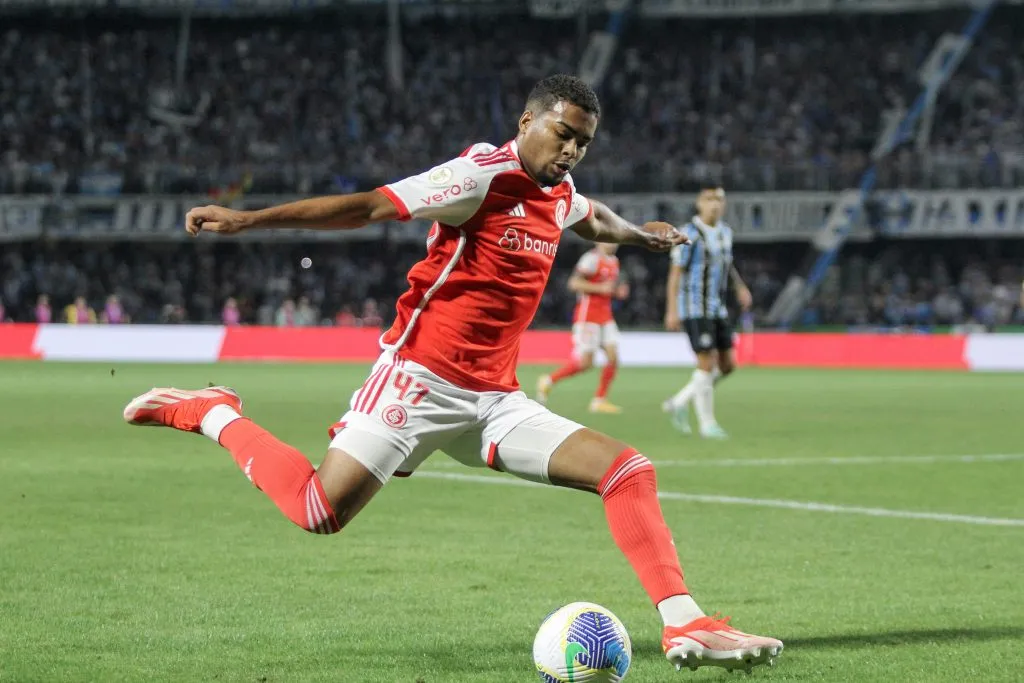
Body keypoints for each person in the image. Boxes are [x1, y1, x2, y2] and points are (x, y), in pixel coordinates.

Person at [123, 75, 781, 673]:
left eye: (583, 143)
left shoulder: (559, 191)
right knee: (318, 510)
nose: (572, 151)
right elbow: (369, 207)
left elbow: (591, 216)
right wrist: (250, 219)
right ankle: (212, 410)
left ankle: (685, 621)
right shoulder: (478, 178)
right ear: (527, 121)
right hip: (419, 380)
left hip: (495, 399)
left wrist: (641, 235)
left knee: (628, 470)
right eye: (563, 134)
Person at [662, 185, 752, 438]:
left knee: (728, 365)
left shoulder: (725, 232)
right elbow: (675, 273)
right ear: (699, 203)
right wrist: (671, 310)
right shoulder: (689, 234)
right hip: (694, 307)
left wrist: (740, 287)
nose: (714, 204)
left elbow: (727, 264)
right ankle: (707, 424)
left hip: (717, 308)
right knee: (706, 363)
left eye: (719, 199)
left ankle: (679, 402)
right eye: (709, 199)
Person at [536, 243, 628, 413]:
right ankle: (549, 380)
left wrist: (617, 291)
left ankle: (599, 400)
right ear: (599, 241)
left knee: (613, 357)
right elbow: (573, 283)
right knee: (586, 363)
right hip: (588, 316)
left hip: (606, 316)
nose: (613, 243)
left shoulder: (614, 261)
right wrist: (600, 288)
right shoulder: (591, 259)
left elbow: (608, 287)